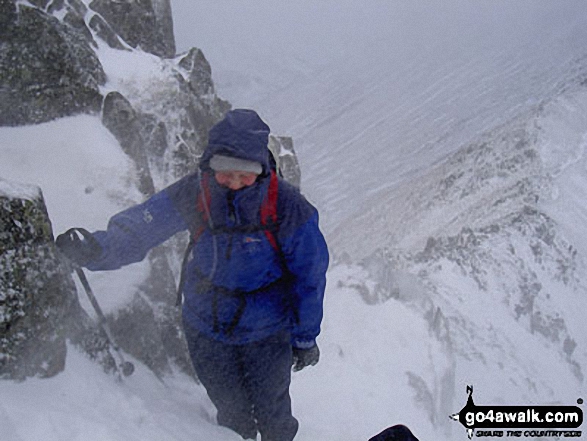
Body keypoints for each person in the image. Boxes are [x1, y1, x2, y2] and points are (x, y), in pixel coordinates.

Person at [56, 109, 329, 441]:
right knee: (231, 415)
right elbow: (146, 224)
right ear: (210, 165)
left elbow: (309, 276)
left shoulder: (287, 207)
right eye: (224, 173)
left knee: (274, 415)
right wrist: (98, 249)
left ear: (261, 169)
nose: (234, 182)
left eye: (245, 174)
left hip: (267, 335)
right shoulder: (196, 192)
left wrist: (304, 338)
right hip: (206, 328)